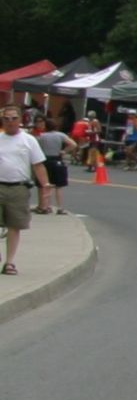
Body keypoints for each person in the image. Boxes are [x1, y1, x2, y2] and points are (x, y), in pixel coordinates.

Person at [0, 105, 43, 275]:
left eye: (13, 118)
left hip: (18, 187)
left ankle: (10, 262)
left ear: (20, 120)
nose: (10, 122)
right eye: (6, 118)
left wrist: (45, 187)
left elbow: (38, 164)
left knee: (14, 225)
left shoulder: (29, 140)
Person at [36, 121, 70, 215]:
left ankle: (46, 206)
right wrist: (63, 151)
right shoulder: (61, 135)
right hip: (57, 159)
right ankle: (60, 208)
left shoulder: (41, 136)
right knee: (58, 186)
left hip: (45, 160)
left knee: (46, 184)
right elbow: (73, 144)